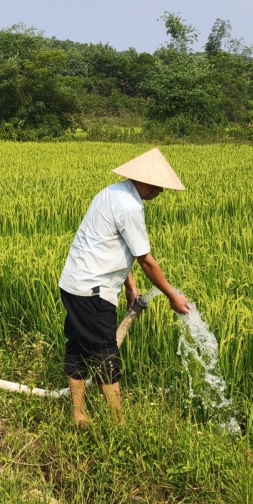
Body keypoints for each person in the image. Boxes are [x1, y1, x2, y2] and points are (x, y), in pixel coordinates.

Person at [57, 148, 190, 428]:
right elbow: (146, 260)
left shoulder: (111, 192)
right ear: (146, 182)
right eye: (158, 187)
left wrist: (130, 284)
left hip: (74, 284)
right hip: (93, 290)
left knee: (78, 348)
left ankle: (79, 415)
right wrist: (172, 296)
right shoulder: (130, 207)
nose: (160, 192)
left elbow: (110, 243)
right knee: (106, 354)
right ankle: (118, 424)